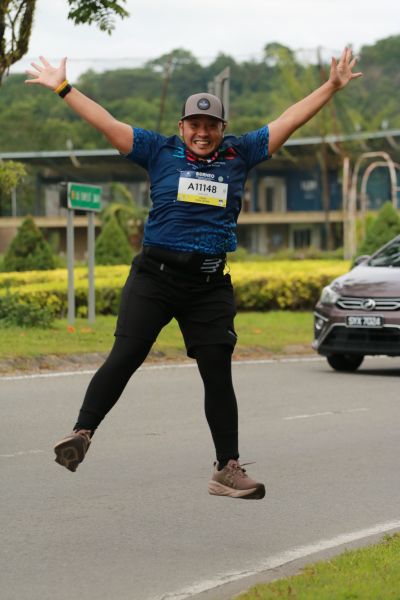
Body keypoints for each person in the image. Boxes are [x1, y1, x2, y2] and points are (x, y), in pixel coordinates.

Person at [26, 49, 361, 500]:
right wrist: (64, 88)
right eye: (195, 125)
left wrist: (332, 86)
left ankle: (227, 469)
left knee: (217, 372)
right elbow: (106, 123)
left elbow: (289, 119)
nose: (202, 133)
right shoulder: (157, 149)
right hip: (155, 277)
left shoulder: (241, 153)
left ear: (223, 129)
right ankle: (81, 434)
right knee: (126, 355)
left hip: (208, 285)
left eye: (211, 126)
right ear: (182, 127)